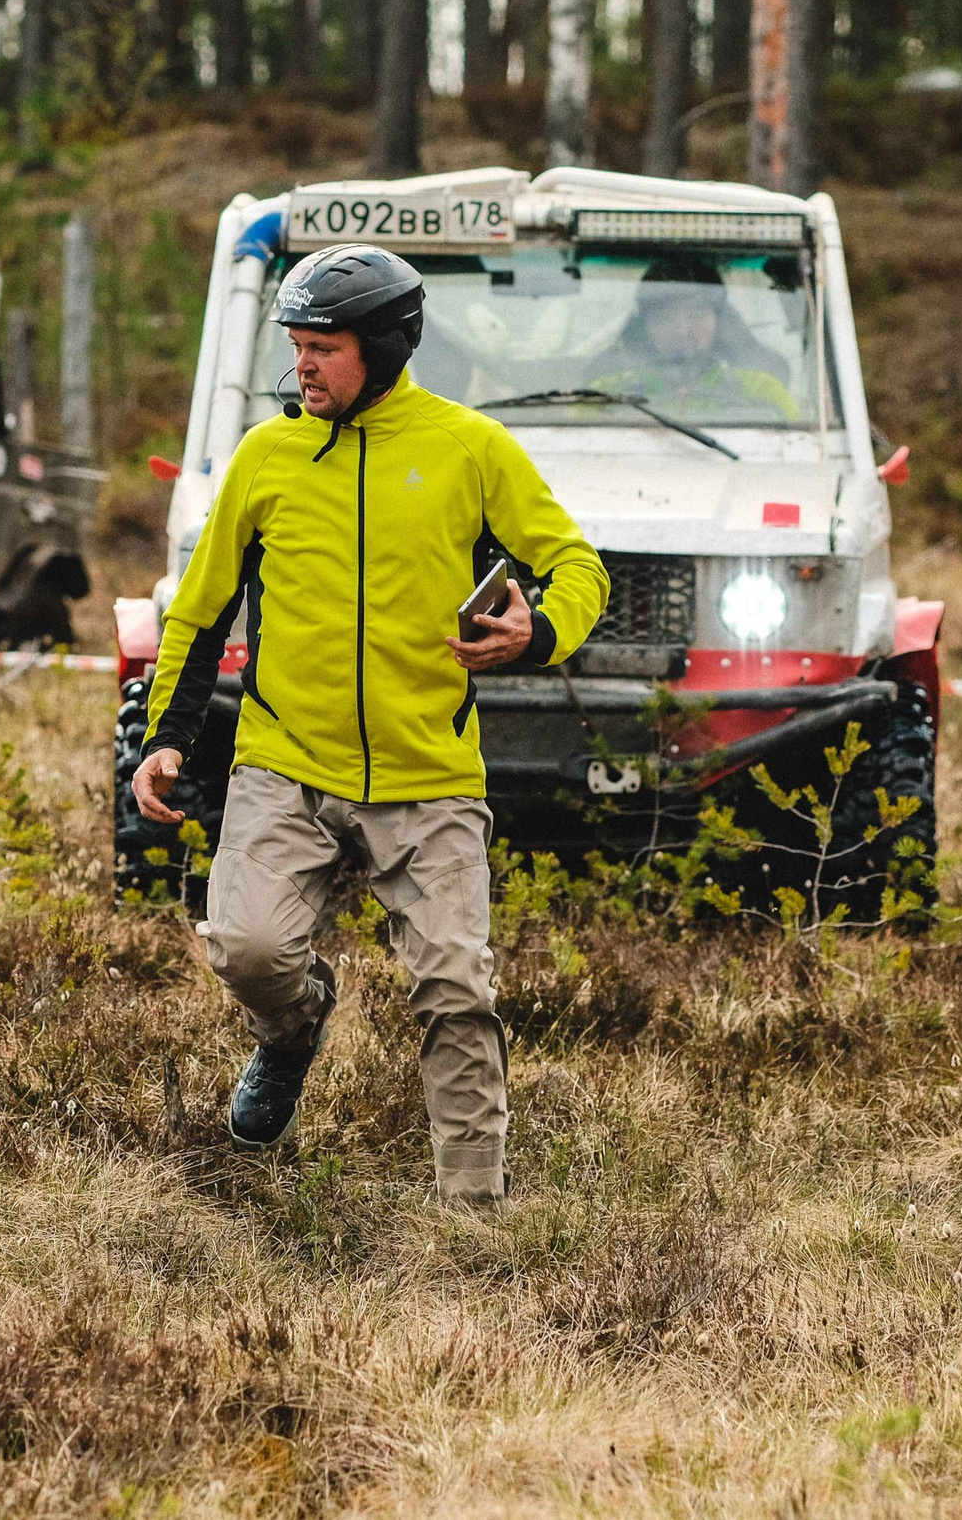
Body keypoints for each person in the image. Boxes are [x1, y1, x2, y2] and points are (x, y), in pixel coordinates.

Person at [129, 244, 610, 1206]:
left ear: (387, 348)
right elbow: (201, 609)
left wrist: (539, 628)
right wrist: (168, 735)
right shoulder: (267, 457)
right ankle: (295, 1026)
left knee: (455, 993)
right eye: (297, 346)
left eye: (325, 348)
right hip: (284, 764)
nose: (302, 366)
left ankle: (473, 1213)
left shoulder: (471, 449)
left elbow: (581, 567)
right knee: (249, 948)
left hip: (428, 776)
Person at [592, 255, 804, 423]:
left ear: (719, 321)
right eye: (665, 318)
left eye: (696, 315)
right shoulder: (606, 394)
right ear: (644, 326)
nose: (683, 330)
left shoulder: (763, 389)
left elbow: (801, 450)